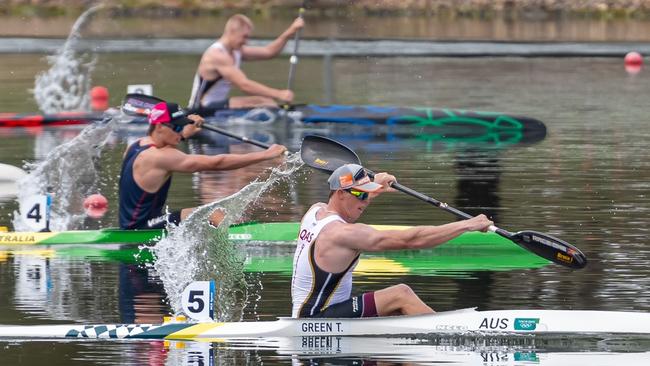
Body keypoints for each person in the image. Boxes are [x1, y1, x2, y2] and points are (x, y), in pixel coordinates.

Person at [291, 164, 494, 318]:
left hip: (309, 314)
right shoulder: (343, 233)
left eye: (368, 194)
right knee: (401, 294)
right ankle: (451, 333)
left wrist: (373, 188)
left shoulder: (315, 210)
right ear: (340, 193)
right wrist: (466, 225)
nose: (365, 201)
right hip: (318, 320)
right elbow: (411, 240)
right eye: (361, 195)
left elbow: (347, 202)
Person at [118, 101, 287, 230]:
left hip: (135, 223)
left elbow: (166, 147)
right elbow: (217, 163)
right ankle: (245, 247)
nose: (180, 131)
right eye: (177, 127)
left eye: (182, 125)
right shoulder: (160, 157)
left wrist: (181, 134)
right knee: (215, 214)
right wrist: (266, 155)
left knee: (210, 213)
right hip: (141, 228)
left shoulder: (135, 145)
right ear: (160, 126)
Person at [188, 14, 304, 111]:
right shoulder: (217, 55)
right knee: (264, 103)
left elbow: (269, 52)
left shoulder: (236, 51)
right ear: (231, 31)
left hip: (217, 106)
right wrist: (279, 94)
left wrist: (290, 31)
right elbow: (244, 85)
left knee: (266, 103)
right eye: (244, 37)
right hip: (200, 110)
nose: (246, 42)